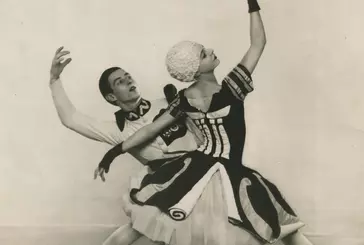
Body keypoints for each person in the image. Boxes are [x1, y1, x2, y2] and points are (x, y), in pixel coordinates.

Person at [97, 0, 314, 244]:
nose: (210, 51)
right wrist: (253, 4)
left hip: (195, 169)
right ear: (196, 68)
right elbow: (258, 43)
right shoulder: (232, 88)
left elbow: (151, 128)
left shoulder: (184, 99)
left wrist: (114, 152)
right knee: (280, 224)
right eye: (203, 54)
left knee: (153, 219)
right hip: (229, 173)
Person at [49, 47, 202, 245]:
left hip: (201, 178)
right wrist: (54, 81)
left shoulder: (168, 102)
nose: (128, 80)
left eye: (128, 76)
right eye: (120, 82)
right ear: (112, 97)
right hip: (166, 187)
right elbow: (71, 119)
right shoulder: (118, 131)